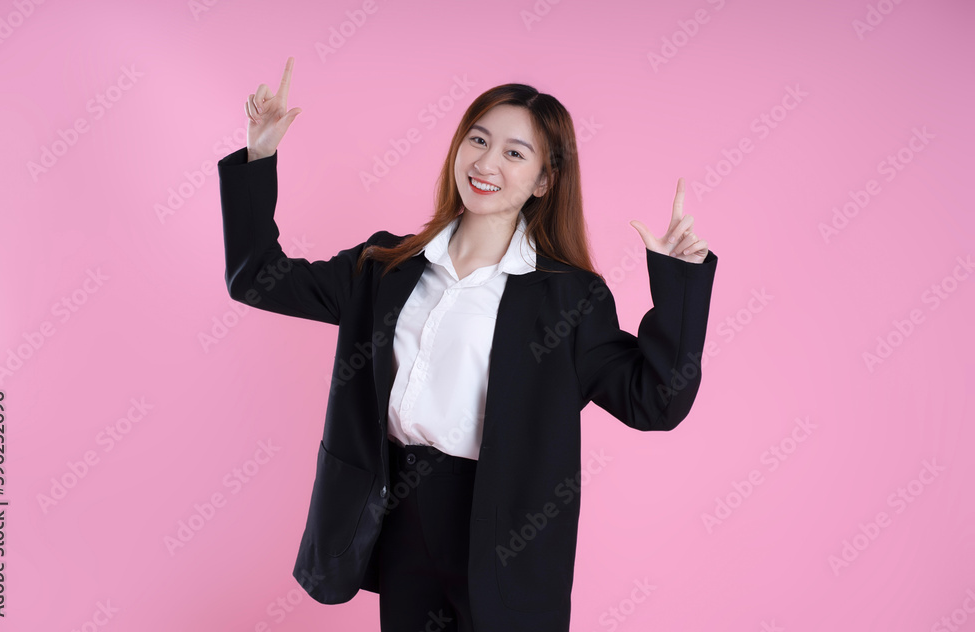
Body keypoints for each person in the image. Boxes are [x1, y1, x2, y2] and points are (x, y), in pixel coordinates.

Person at [218, 56, 718, 632]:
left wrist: (681, 282)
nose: (486, 163)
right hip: (399, 512)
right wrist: (259, 153)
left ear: (545, 180)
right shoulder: (385, 266)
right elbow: (257, 277)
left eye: (514, 152)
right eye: (477, 140)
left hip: (504, 531)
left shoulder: (569, 299)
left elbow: (655, 402)